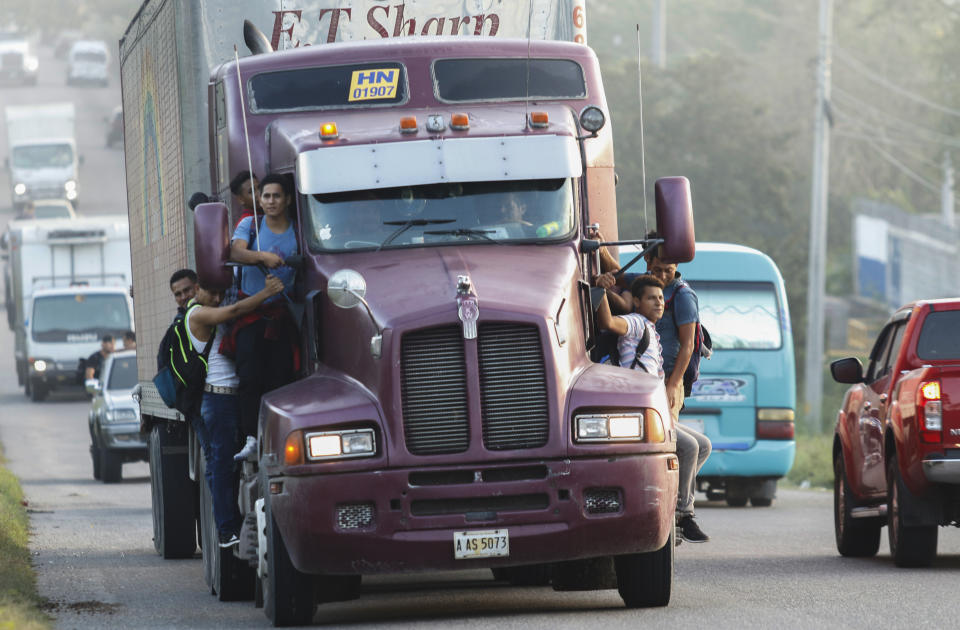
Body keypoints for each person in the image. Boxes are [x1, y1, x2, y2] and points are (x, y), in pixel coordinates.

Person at [185, 274, 284, 547]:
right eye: (211, 292)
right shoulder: (198, 314)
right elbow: (237, 310)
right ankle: (226, 530)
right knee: (222, 466)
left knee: (226, 465)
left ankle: (232, 524)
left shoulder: (207, 309)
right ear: (197, 289)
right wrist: (266, 292)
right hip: (218, 401)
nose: (217, 298)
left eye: (220, 293)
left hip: (230, 399)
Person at [645, 232, 712, 543]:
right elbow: (615, 273)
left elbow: (688, 346)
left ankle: (678, 510)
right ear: (647, 262)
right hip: (648, 382)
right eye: (656, 268)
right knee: (690, 446)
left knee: (691, 447)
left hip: (669, 381)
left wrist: (673, 385)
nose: (661, 275)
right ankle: (682, 513)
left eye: (667, 268)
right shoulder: (645, 286)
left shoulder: (682, 296)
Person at [227, 172, 299, 461]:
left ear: (288, 200)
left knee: (281, 380)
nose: (270, 201)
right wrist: (262, 257)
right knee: (249, 379)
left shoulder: (299, 231)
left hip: (284, 316)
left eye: (276, 196)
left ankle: (278, 439)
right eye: (265, 196)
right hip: (251, 316)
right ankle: (251, 438)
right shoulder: (250, 225)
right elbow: (235, 252)